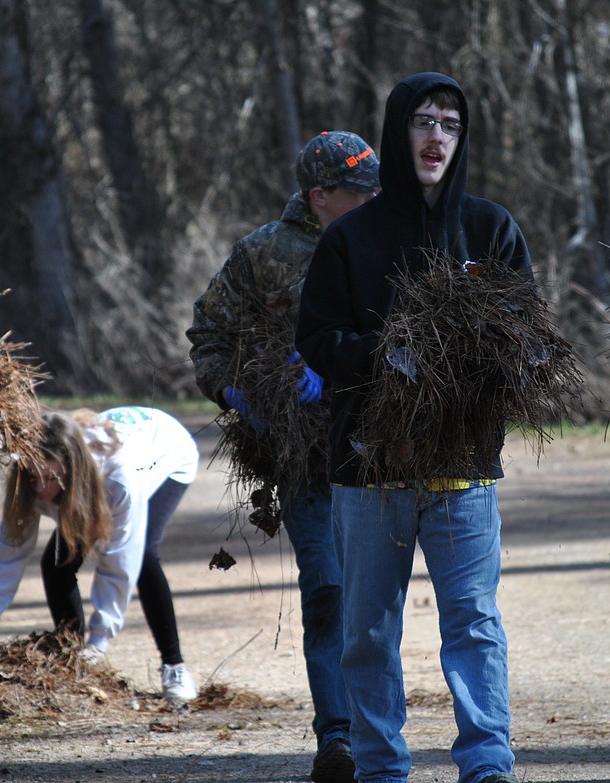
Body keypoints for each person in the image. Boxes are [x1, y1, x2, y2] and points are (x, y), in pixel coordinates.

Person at [295, 72, 531, 783]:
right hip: (370, 473)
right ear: (399, 133)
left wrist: (471, 359)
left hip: (462, 469)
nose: (436, 137)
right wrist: (389, 356)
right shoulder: (350, 238)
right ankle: (379, 768)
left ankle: (488, 765)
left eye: (450, 126)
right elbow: (317, 339)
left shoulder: (489, 228)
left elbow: (525, 335)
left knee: (474, 625)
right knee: (366, 635)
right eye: (423, 121)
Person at [187, 130, 380, 782]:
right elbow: (207, 335)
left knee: (370, 597)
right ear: (320, 195)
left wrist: (348, 366)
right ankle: (339, 738)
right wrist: (238, 391)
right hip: (303, 454)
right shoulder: (263, 252)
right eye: (359, 191)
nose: (372, 198)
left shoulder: (390, 237)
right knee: (327, 589)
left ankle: (378, 733)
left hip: (381, 448)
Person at [0, 406, 200, 703]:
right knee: (56, 563)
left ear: (70, 466)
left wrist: (99, 643)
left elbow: (119, 563)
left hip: (166, 452)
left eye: (49, 477)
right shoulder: (31, 478)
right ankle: (71, 658)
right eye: (34, 477)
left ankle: (174, 666)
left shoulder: (119, 478)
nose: (41, 488)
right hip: (93, 478)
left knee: (145, 555)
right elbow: (7, 554)